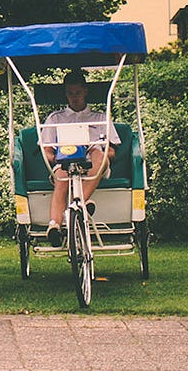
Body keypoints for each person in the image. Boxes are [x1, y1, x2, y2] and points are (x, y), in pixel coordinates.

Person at [40, 69, 119, 246]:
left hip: (93, 166)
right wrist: (59, 157)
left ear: (85, 91)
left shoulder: (100, 118)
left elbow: (112, 152)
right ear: (65, 94)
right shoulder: (55, 118)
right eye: (70, 93)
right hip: (66, 163)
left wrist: (94, 148)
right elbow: (47, 151)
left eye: (77, 93)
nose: (74, 97)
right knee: (61, 176)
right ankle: (54, 225)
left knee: (99, 154)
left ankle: (78, 204)